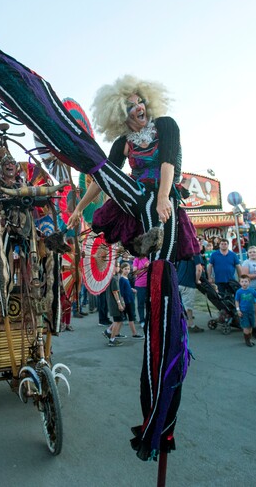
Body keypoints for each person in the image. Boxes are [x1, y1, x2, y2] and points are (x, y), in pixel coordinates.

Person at [62, 75, 199, 460]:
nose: (137, 108)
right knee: (121, 203)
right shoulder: (123, 143)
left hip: (162, 202)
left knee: (161, 277)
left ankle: (162, 411)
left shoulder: (166, 126)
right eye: (129, 107)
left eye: (139, 102)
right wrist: (77, 207)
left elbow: (169, 162)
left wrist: (162, 199)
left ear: (147, 103)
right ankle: (143, 257)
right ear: (121, 118)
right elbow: (101, 176)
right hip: (136, 202)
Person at [235, 274, 256, 346]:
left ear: (249, 282)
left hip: (251, 311)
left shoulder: (252, 290)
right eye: (242, 281)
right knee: (246, 326)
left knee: (251, 326)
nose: (244, 283)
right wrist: (238, 310)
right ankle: (247, 341)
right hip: (243, 312)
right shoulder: (239, 292)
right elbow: (236, 301)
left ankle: (250, 338)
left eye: (246, 281)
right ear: (240, 282)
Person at [177, 252, 204, 333]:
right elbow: (199, 269)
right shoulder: (196, 254)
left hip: (179, 282)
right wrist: (197, 280)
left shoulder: (181, 253)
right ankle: (190, 325)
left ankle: (180, 324)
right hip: (188, 283)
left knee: (179, 305)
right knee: (188, 306)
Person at [103, 263, 125, 346]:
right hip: (115, 303)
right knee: (117, 321)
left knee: (118, 320)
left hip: (111, 302)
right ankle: (112, 340)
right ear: (114, 267)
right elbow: (115, 292)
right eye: (118, 266)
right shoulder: (114, 279)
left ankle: (108, 331)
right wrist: (119, 303)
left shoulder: (109, 278)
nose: (119, 268)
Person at [119, 262, 143, 339]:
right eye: (125, 269)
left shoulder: (126, 278)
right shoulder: (122, 279)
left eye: (128, 269)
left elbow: (127, 288)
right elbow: (121, 291)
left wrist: (131, 289)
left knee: (121, 318)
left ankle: (112, 332)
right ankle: (134, 333)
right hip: (127, 301)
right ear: (121, 269)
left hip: (130, 299)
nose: (127, 270)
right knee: (131, 317)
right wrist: (122, 302)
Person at [132, 255, 150, 326]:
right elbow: (134, 273)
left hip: (149, 284)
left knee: (149, 303)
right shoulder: (137, 259)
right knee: (141, 303)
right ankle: (142, 320)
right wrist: (144, 267)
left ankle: (148, 319)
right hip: (140, 285)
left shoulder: (149, 257)